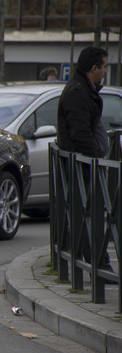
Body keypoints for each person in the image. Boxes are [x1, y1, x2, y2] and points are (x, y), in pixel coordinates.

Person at [56, 46, 113, 279]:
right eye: (105, 67)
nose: (106, 71)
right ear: (94, 68)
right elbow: (80, 131)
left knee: (88, 215)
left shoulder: (83, 89)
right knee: (90, 215)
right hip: (83, 165)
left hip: (84, 164)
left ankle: (92, 261)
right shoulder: (79, 92)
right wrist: (93, 159)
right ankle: (99, 267)